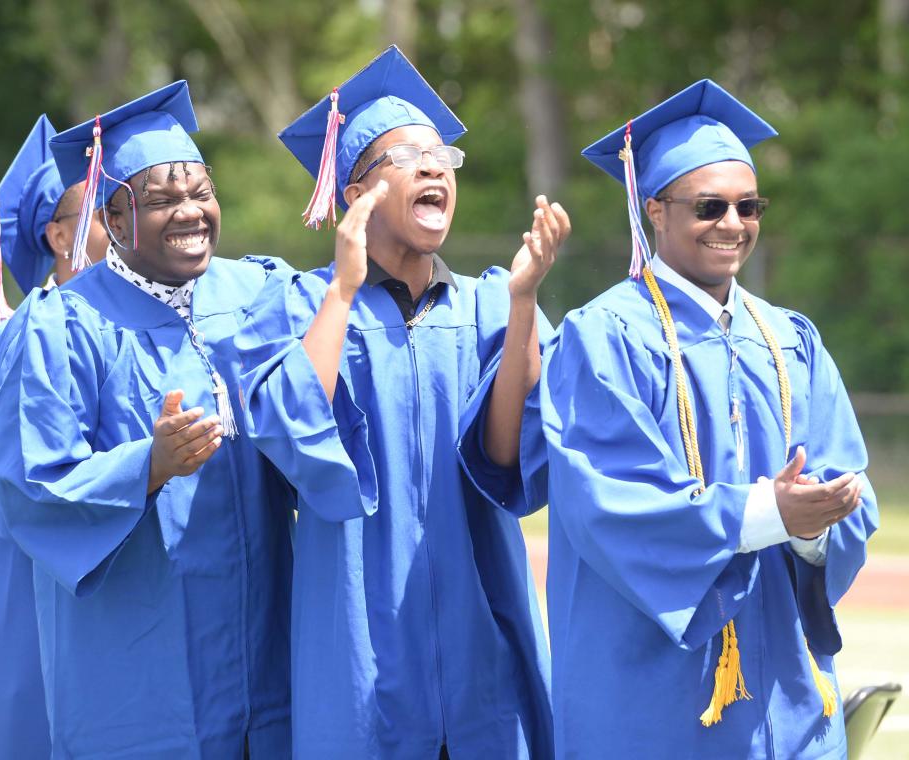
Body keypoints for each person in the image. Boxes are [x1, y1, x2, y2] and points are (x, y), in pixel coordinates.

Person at [236, 46, 568, 759]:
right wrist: (344, 289)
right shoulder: (301, 306)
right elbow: (293, 439)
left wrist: (522, 303)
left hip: (482, 637)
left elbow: (509, 460)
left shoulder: (488, 306)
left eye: (441, 156)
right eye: (405, 156)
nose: (433, 167)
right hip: (359, 638)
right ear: (354, 194)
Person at [540, 79, 878, 759]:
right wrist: (768, 513)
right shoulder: (602, 337)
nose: (733, 223)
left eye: (748, 206)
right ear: (654, 211)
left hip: (787, 693)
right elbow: (611, 504)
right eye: (709, 206)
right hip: (654, 703)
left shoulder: (790, 339)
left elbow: (849, 486)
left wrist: (816, 526)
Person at [0, 81, 295, 758]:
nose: (190, 212)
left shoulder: (259, 294)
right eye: (160, 200)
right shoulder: (61, 327)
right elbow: (29, 486)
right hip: (140, 675)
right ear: (115, 221)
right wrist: (147, 467)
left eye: (200, 193)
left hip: (264, 662)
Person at [0, 113, 110, 759]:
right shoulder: (3, 348)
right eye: (105, 214)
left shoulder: (135, 329)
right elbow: (29, 494)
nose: (125, 226)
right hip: (38, 592)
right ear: (58, 236)